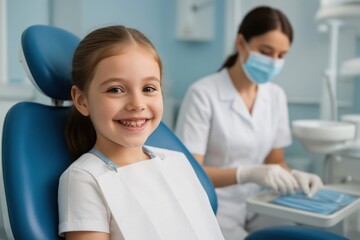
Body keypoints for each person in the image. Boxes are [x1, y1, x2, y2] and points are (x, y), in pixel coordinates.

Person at [58, 25, 224, 240]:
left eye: (149, 89)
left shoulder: (175, 160)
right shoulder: (84, 179)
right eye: (115, 89)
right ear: (81, 100)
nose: (137, 104)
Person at [175, 6, 323, 239]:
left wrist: (295, 175)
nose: (274, 62)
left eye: (281, 55)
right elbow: (190, 174)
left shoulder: (276, 96)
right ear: (241, 43)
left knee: (298, 233)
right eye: (266, 51)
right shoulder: (203, 93)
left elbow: (276, 161)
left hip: (258, 201)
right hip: (214, 204)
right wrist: (245, 173)